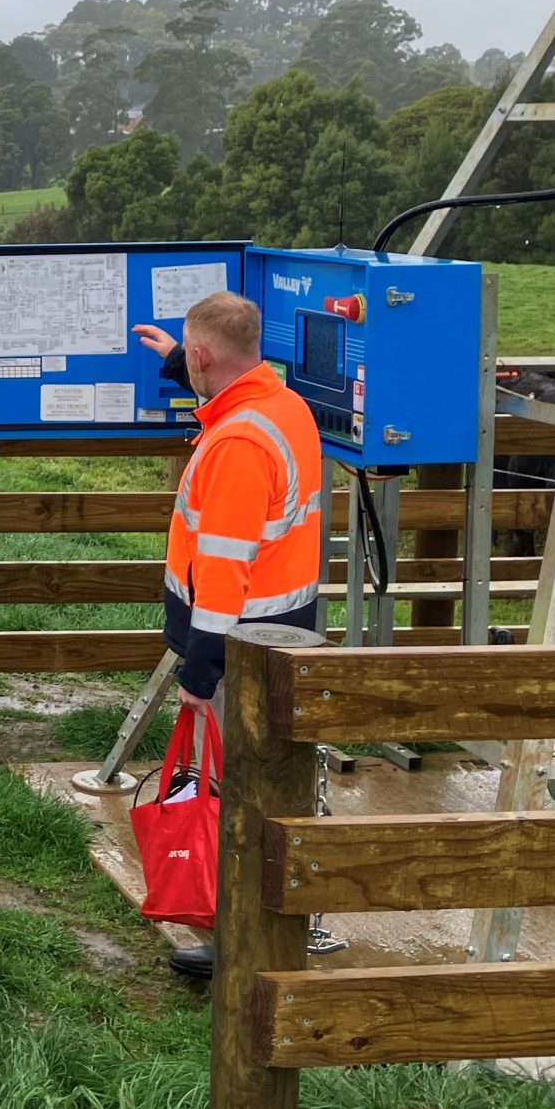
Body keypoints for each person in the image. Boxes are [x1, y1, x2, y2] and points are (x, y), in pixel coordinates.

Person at [132, 291, 324, 983]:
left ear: (207, 355)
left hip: (237, 644)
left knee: (233, 797)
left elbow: (222, 574)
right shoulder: (283, 406)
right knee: (261, 787)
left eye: (191, 355)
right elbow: (226, 377)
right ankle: (261, 925)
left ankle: (237, 941)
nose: (188, 364)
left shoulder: (239, 443)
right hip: (283, 628)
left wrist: (198, 677)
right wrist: (181, 362)